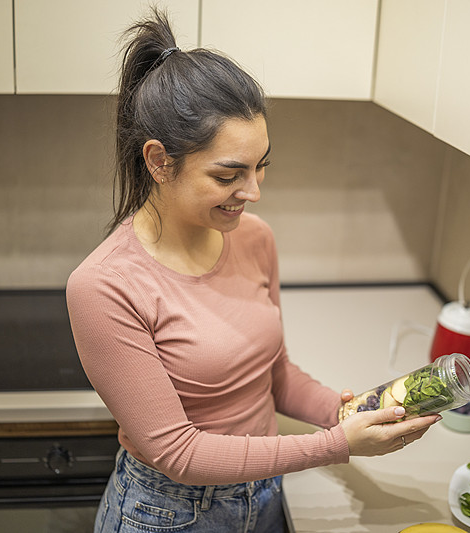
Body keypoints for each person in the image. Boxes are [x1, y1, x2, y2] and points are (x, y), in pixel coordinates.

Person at [66, 9, 441, 533]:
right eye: (228, 175)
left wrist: (352, 412)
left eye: (261, 165)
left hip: (263, 495)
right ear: (158, 161)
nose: (253, 191)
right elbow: (177, 451)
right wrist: (338, 445)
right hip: (168, 513)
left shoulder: (255, 237)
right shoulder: (104, 286)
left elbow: (275, 375)